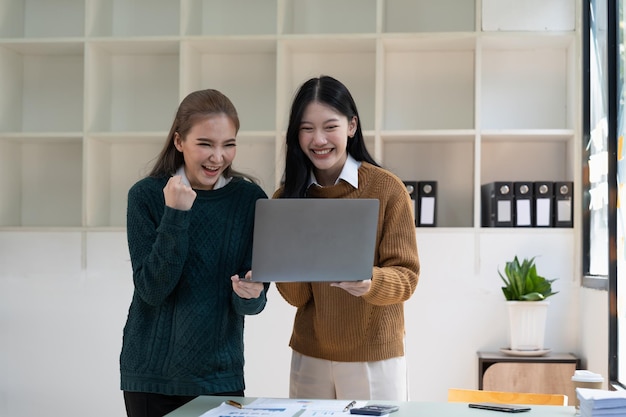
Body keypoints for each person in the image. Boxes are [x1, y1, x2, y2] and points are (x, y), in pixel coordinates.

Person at [120, 89, 269, 417]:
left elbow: (253, 303)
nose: (218, 157)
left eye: (228, 144)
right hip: (151, 378)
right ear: (179, 141)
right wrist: (175, 214)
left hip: (220, 377)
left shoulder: (249, 200)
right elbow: (152, 289)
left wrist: (251, 293)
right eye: (205, 144)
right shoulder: (146, 196)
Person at [274, 75, 420, 401]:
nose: (319, 139)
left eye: (330, 126)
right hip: (310, 354)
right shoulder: (286, 199)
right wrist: (283, 268)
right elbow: (297, 297)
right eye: (307, 128)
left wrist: (370, 282)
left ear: (351, 126)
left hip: (375, 357)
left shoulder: (387, 189)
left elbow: (407, 277)